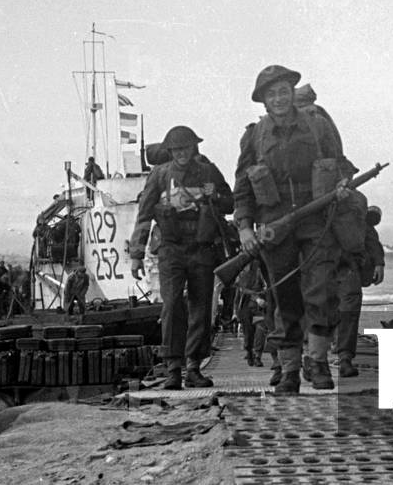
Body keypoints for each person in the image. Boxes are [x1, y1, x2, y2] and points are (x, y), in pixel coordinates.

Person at [234, 65, 357, 394]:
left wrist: (343, 183)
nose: (279, 98)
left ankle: (316, 361)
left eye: (284, 91)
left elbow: (340, 162)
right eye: (271, 94)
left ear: (292, 93)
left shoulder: (318, 126)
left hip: (316, 220)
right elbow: (243, 188)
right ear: (263, 101)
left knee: (322, 290)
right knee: (284, 297)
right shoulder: (254, 136)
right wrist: (245, 228)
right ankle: (289, 368)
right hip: (275, 224)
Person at [130, 125, 233, 390]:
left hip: (201, 248)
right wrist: (136, 255)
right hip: (171, 249)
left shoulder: (208, 171)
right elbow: (143, 215)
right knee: (172, 305)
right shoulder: (160, 175)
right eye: (176, 149)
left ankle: (194, 367)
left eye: (186, 148)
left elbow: (229, 203)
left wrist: (214, 196)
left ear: (193, 148)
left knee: (201, 308)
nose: (182, 154)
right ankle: (173, 368)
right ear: (170, 151)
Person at [333, 205, 385, 377]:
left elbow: (368, 234)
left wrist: (378, 262)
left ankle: (344, 357)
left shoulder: (354, 202)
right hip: (318, 262)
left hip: (347, 265)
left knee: (349, 308)